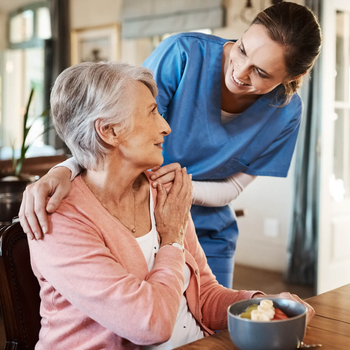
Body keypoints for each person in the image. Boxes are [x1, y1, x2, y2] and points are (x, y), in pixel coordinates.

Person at [19, 2, 322, 288]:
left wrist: (181, 192)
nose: (239, 72)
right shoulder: (183, 54)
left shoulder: (286, 113)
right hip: (136, 218)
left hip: (207, 230)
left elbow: (233, 188)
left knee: (211, 330)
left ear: (294, 76)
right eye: (242, 50)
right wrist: (65, 169)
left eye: (260, 72)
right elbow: (113, 127)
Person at [27, 61, 314, 349]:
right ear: (109, 131)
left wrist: (263, 305)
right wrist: (172, 239)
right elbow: (151, 324)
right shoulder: (57, 217)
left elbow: (204, 297)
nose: (166, 127)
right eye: (152, 112)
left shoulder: (162, 192)